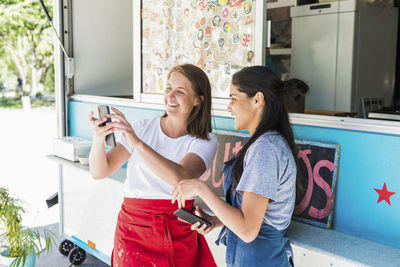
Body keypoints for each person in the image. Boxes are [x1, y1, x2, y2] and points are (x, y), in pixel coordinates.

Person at [172, 66, 309, 267]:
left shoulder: (265, 149)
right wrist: (217, 219)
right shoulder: (265, 143)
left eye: (233, 98)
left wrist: (200, 187)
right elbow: (252, 218)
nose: (229, 107)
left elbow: (247, 230)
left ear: (257, 99)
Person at [88, 64, 218, 267]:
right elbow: (99, 171)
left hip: (177, 231)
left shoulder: (206, 140)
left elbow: (181, 177)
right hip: (131, 230)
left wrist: (137, 143)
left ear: (197, 100)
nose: (170, 95)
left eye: (180, 91)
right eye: (168, 88)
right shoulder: (141, 128)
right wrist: (98, 138)